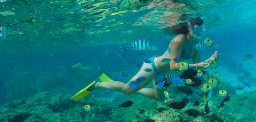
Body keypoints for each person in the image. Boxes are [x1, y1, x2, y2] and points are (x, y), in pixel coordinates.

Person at [71, 17, 218, 102]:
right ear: (189, 28)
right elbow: (174, 66)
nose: (199, 32)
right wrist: (198, 64)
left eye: (202, 30)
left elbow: (196, 67)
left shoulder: (194, 44)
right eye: (196, 29)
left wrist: (208, 62)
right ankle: (97, 85)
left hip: (161, 73)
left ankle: (126, 85)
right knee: (127, 90)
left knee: (158, 97)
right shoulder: (178, 40)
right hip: (152, 67)